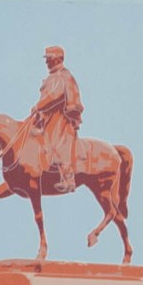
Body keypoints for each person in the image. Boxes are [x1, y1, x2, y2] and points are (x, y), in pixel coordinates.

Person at [28, 46, 83, 193]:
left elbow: (55, 96)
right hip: (48, 116)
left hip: (61, 118)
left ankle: (68, 179)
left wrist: (38, 106)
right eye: (47, 59)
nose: (47, 62)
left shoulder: (63, 76)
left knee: (58, 143)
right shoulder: (53, 76)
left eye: (49, 59)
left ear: (58, 58)